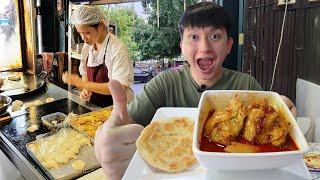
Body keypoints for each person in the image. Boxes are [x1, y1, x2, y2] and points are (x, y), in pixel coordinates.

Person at [94, 2, 297, 179]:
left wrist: (284, 111)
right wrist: (104, 146)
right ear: (182, 45)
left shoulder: (247, 86)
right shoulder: (164, 84)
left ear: (229, 45)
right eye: (193, 37)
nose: (205, 47)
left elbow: (273, 139)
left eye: (215, 36)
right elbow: (124, 126)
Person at [62, 5, 134, 107]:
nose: (83, 38)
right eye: (80, 33)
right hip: (97, 107)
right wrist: (86, 90)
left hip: (119, 108)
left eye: (87, 33)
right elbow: (85, 74)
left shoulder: (117, 49)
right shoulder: (87, 47)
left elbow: (120, 88)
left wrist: (82, 84)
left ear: (100, 25)